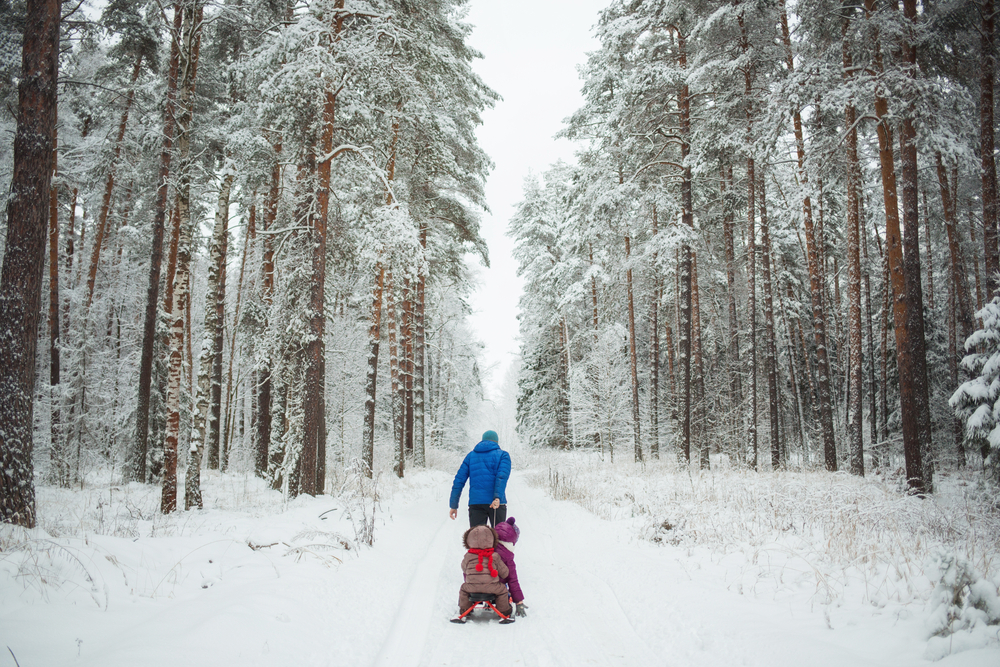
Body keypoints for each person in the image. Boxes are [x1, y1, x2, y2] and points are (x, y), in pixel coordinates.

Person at [449, 429, 511, 527]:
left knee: (477, 539)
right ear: (496, 442)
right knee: (499, 539)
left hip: (476, 504)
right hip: (496, 504)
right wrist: (497, 497)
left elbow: (458, 481)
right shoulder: (503, 455)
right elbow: (501, 477)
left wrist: (454, 505)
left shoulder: (470, 456)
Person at [454, 524, 511, 622]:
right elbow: (504, 573)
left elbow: (464, 569)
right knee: (502, 590)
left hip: (472, 587)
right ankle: (504, 611)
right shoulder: (495, 556)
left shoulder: (468, 556)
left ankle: (465, 610)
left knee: (464, 589)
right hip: (492, 587)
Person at [495, 516, 528, 617]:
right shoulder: (507, 557)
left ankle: (466, 607)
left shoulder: (484, 549)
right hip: (496, 589)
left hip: (476, 587)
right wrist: (519, 602)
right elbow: (512, 580)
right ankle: (504, 608)